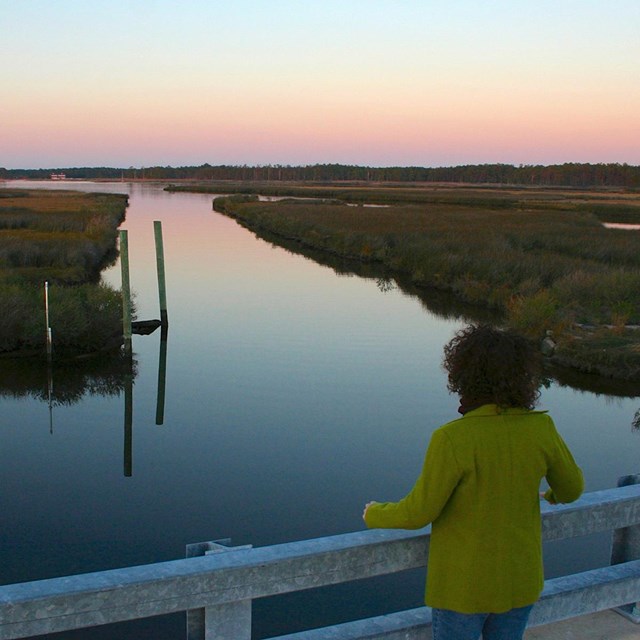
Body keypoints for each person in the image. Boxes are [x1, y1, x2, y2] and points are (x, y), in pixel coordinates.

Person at [363, 324, 583, 640]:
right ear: (523, 376)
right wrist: (550, 496)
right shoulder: (541, 428)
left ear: (463, 375)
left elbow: (418, 512)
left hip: (463, 589)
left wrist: (375, 513)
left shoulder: (452, 438)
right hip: (519, 581)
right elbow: (572, 489)